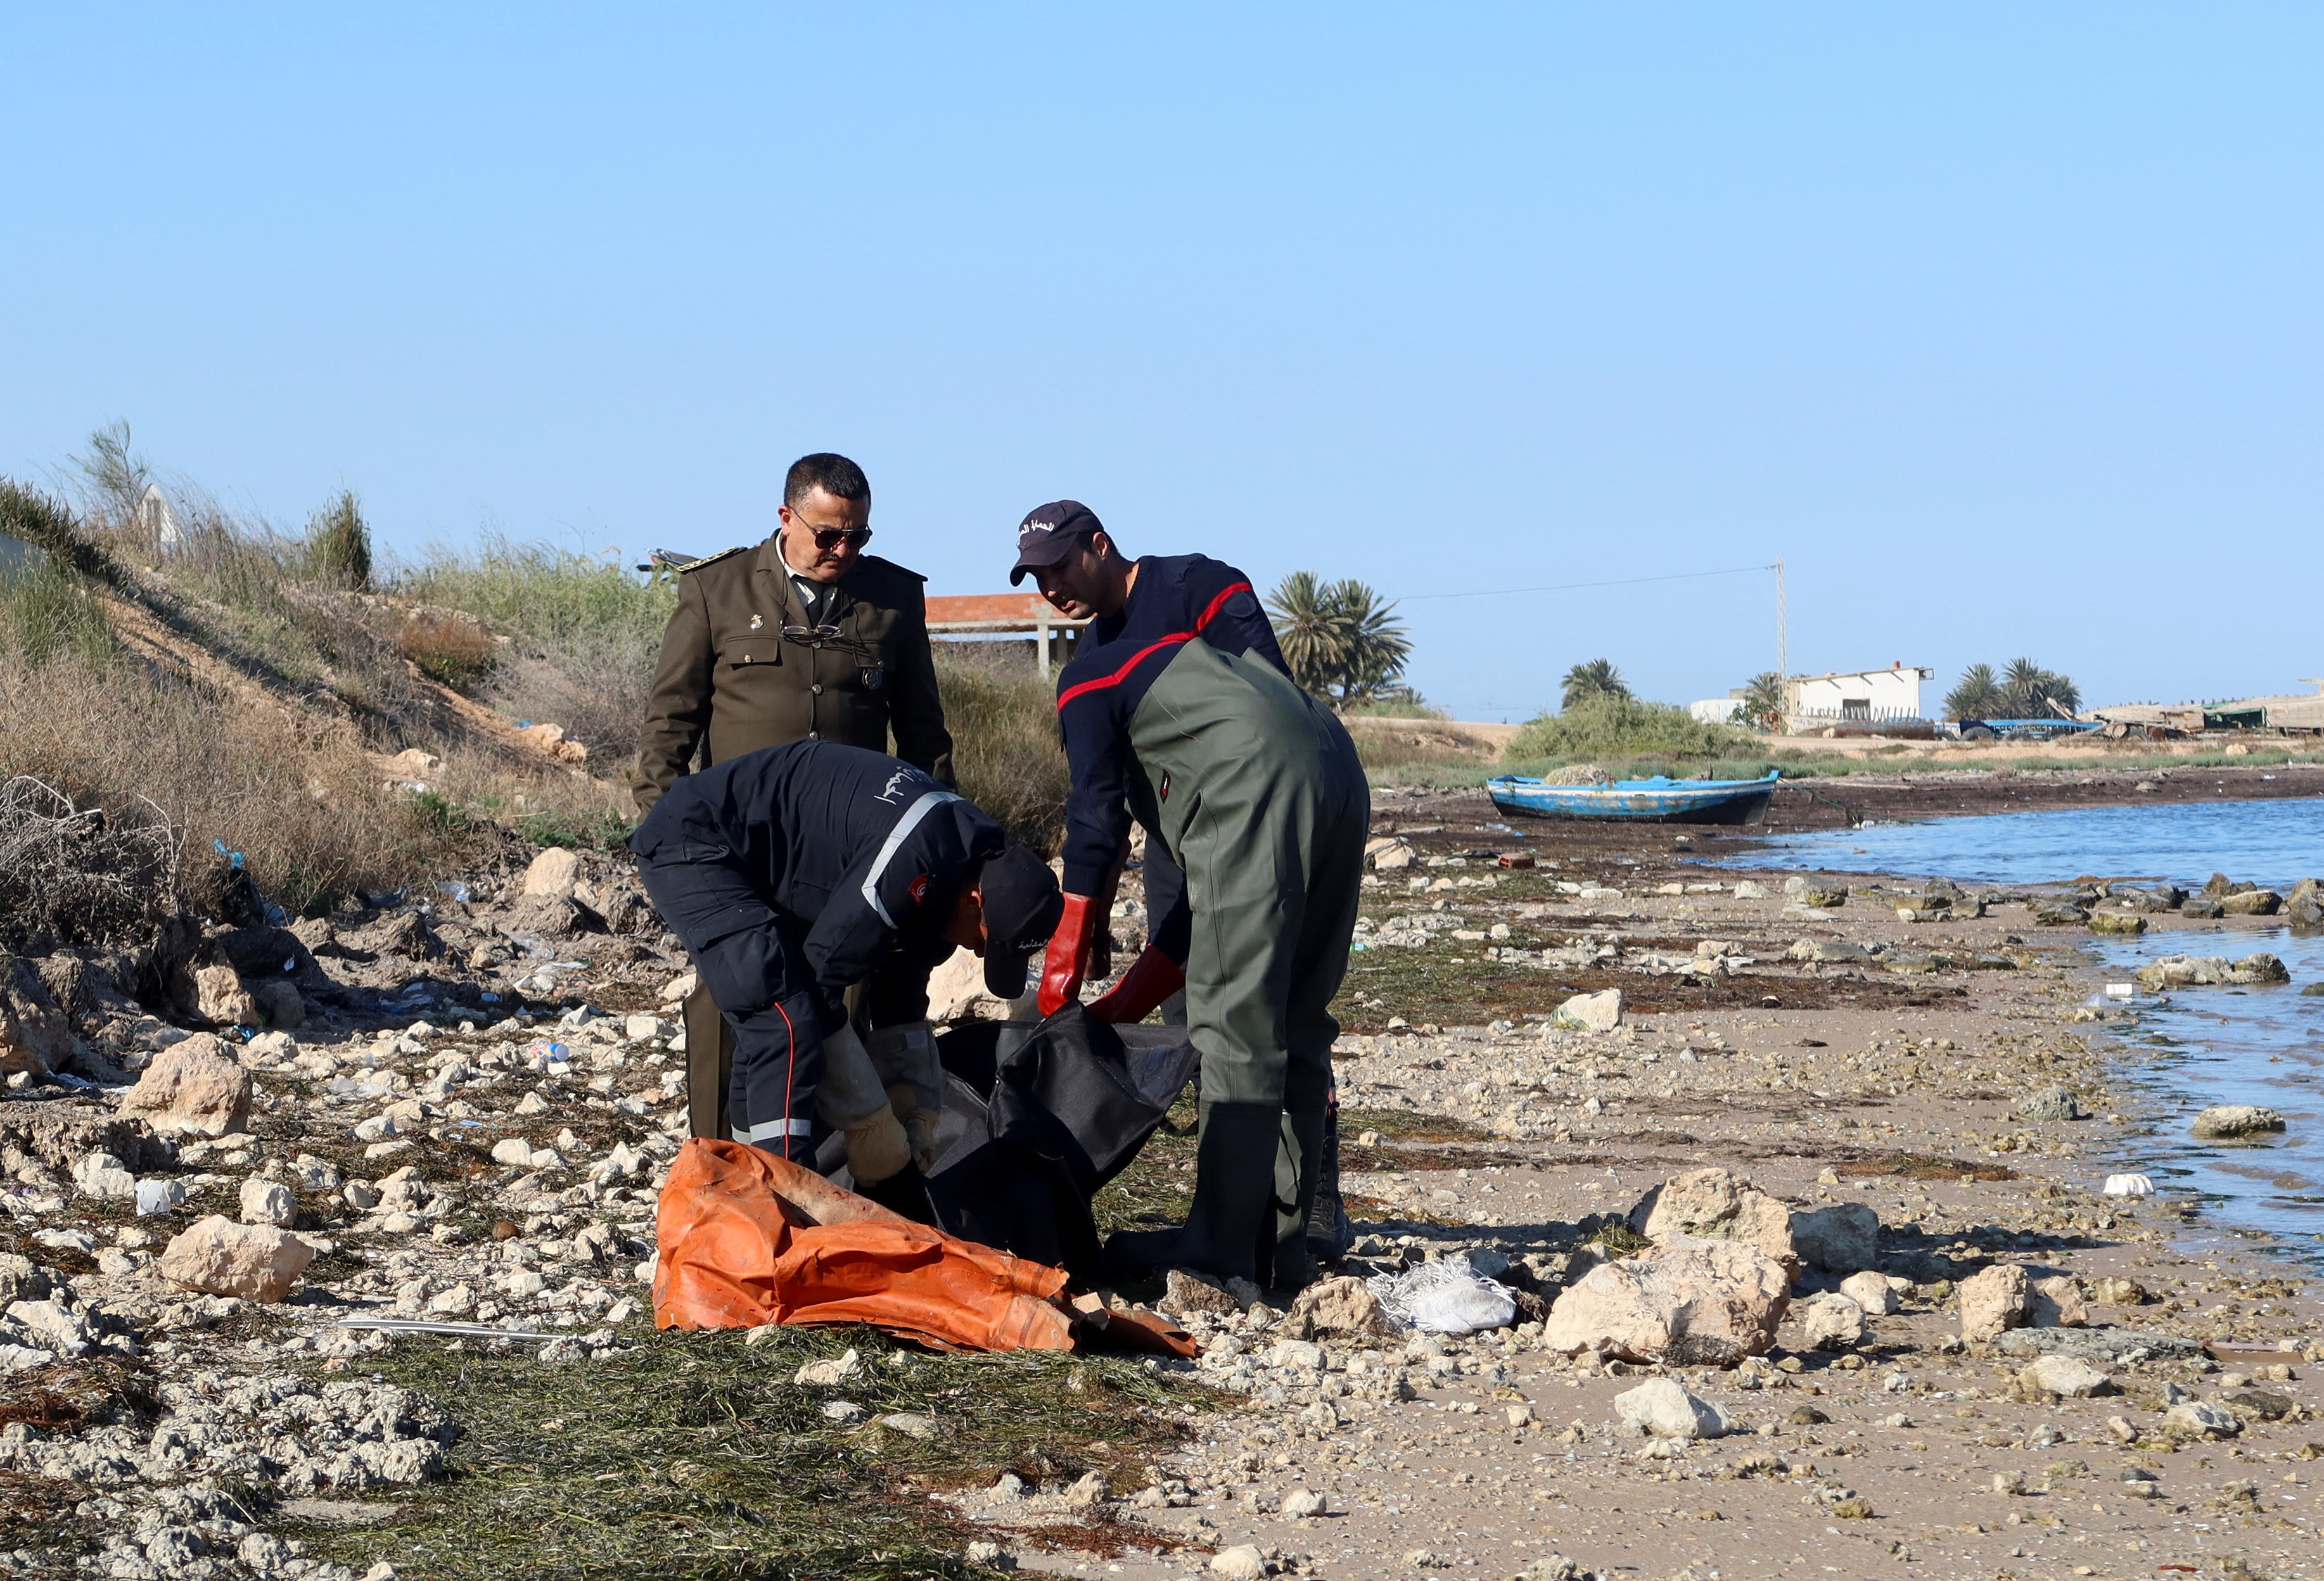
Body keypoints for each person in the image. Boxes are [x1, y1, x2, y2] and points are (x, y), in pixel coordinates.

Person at [1016, 503, 1368, 1292]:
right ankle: (1278, 1246)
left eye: (1061, 567)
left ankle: (1216, 1250)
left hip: (1250, 788)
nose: (1052, 587)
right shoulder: (1136, 657)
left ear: (1099, 544)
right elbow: (1198, 903)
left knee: (1232, 1028)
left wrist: (1071, 939)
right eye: (1037, 578)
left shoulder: (1095, 672)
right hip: (1331, 765)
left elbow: (1094, 816)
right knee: (1296, 1019)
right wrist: (1118, 1006)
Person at [632, 452, 955, 1142]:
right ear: (785, 518)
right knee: (731, 1001)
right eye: (827, 535)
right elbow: (670, 726)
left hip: (850, 855)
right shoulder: (715, 591)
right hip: (737, 850)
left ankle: (831, 1180)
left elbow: (925, 738)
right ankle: (719, 1166)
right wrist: (670, 835)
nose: (843, 550)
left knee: (838, 1003)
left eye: (857, 537)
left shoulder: (893, 598)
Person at [630, 740, 1061, 1214]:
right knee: (783, 1023)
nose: (978, 951)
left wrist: (912, 1107)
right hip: (700, 842)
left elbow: (901, 990)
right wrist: (870, 1121)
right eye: (987, 940)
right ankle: (785, 1213)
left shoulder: (970, 861)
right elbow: (820, 986)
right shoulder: (909, 864)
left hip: (769, 862)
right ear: (973, 899)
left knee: (773, 1026)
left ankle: (743, 1195)